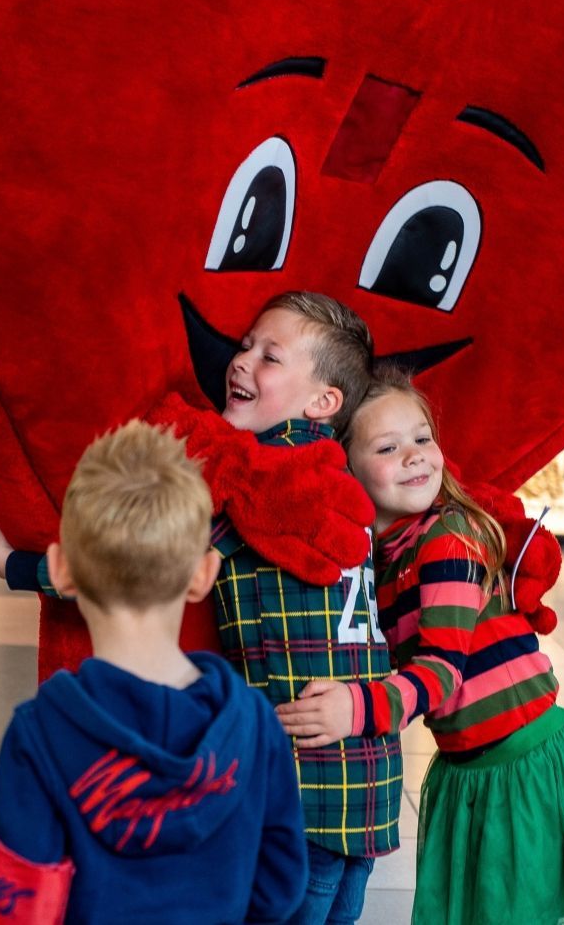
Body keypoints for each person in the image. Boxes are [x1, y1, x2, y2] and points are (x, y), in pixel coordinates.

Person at [276, 367, 564, 925]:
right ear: (346, 468)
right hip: (469, 770)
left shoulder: (446, 539)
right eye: (389, 447)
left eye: (423, 437)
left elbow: (441, 674)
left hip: (524, 767)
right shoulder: (383, 558)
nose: (415, 455)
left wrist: (356, 708)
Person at [0, 420, 307, 925]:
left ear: (60, 570)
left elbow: (13, 908)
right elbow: (278, 891)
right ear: (203, 574)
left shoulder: (40, 735)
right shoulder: (253, 724)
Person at [210, 290, 402, 925]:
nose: (241, 362)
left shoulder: (257, 478)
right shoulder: (348, 480)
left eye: (270, 356)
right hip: (368, 779)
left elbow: (140, 561)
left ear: (324, 401)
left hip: (299, 783)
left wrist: (25, 564)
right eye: (244, 347)